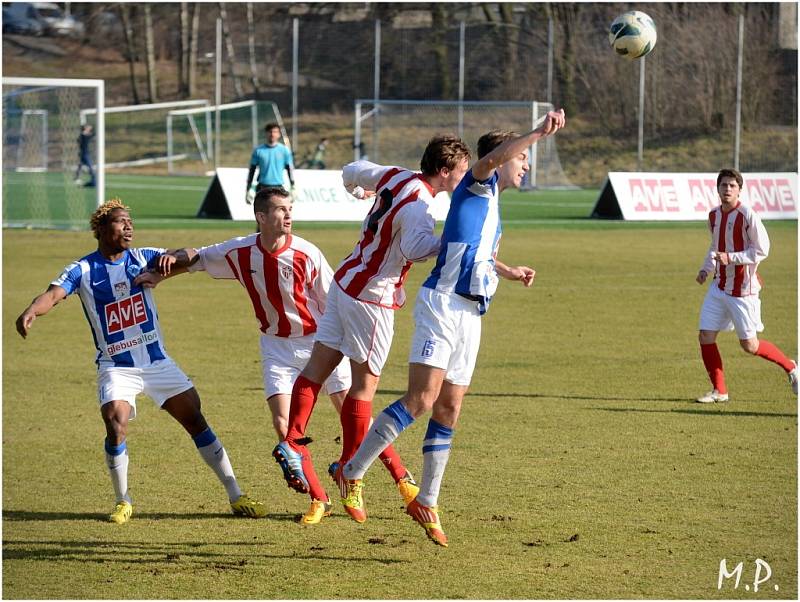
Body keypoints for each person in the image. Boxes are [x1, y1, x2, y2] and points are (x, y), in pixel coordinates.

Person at [339, 110, 567, 547]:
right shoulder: (478, 182)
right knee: (420, 399)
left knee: (449, 409)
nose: (526, 165)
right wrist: (538, 132)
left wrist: (507, 268)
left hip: (471, 314)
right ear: (503, 159)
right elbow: (496, 156)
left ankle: (427, 499)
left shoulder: (492, 206)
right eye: (522, 159)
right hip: (441, 306)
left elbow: (466, 248)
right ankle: (352, 471)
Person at [15, 199, 266, 524]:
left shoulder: (142, 257)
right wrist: (32, 311)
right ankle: (123, 501)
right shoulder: (83, 269)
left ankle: (236, 495)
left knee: (195, 420)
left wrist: (171, 257)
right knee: (115, 422)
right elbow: (52, 294)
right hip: (116, 367)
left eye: (130, 221)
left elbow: (191, 254)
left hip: (156, 362)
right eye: (120, 222)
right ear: (102, 229)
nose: (128, 226)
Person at [272, 134, 472, 525]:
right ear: (445, 171)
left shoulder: (395, 176)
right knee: (363, 388)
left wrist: (357, 190)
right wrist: (453, 242)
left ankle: (293, 440)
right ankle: (350, 472)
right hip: (373, 298)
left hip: (345, 281)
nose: (464, 179)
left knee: (317, 368)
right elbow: (415, 249)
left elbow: (351, 171)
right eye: (462, 172)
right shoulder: (420, 205)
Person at [134, 186, 353, 525]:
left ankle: (366, 478)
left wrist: (344, 343)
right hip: (275, 347)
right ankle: (319, 498)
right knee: (283, 426)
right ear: (262, 217)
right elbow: (198, 258)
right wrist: (161, 274)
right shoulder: (241, 251)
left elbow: (335, 301)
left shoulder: (307, 254)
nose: (289, 215)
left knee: (351, 416)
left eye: (290, 208)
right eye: (281, 209)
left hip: (318, 343)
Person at [694, 168, 797, 403]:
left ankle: (791, 367)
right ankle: (720, 391)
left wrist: (732, 258)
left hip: (743, 290)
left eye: (732, 185)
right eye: (724, 185)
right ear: (717, 188)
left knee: (749, 345)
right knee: (705, 336)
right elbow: (715, 246)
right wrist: (705, 269)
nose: (727, 189)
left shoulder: (748, 214)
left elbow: (762, 250)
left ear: (740, 189)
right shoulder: (713, 215)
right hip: (718, 286)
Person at [246, 123, 294, 204]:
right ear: (266, 133)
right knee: (262, 213)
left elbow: (289, 169)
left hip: (278, 187)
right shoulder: (258, 150)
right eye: (270, 132)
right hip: (262, 186)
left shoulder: (284, 150)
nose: (272, 134)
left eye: (275, 132)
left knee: (278, 213)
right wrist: (249, 187)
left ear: (279, 134)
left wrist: (293, 186)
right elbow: (252, 170)